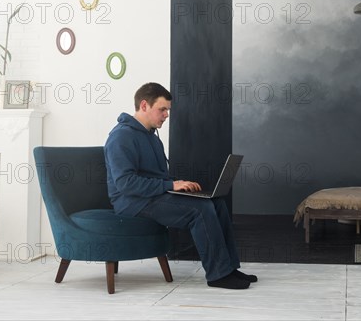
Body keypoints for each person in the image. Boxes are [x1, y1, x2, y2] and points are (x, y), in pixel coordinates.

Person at [104, 82, 256, 289]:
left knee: (216, 203)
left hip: (153, 196)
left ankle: (228, 267)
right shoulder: (121, 137)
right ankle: (218, 275)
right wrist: (171, 185)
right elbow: (125, 183)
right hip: (132, 202)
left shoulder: (152, 138)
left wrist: (180, 184)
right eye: (162, 109)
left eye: (168, 110)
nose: (166, 114)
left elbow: (157, 176)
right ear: (144, 105)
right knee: (199, 210)